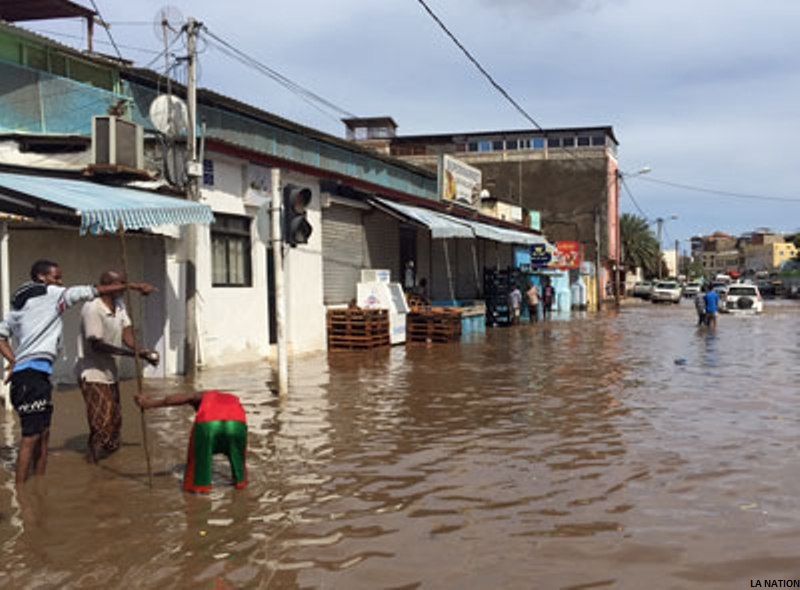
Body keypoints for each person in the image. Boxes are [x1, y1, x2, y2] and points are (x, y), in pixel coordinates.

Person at [0, 260, 155, 484]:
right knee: (31, 438)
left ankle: (38, 491)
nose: (61, 283)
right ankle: (22, 494)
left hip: (36, 375)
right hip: (36, 375)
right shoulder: (54, 294)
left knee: (43, 435)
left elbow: (1, 335)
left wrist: (13, 360)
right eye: (57, 277)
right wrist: (135, 286)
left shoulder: (19, 305)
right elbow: (91, 291)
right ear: (42, 278)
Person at [77, 270, 160, 463]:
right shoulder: (92, 308)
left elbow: (127, 335)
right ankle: (93, 467)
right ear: (109, 285)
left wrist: (143, 351)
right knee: (102, 424)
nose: (124, 287)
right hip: (92, 372)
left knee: (114, 426)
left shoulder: (120, 305)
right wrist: (133, 355)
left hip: (110, 373)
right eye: (121, 284)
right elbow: (97, 345)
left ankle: (107, 468)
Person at [136, 390, 248, 493]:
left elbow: (179, 398)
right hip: (237, 425)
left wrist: (149, 404)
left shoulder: (205, 395)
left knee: (196, 465)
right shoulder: (233, 398)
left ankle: (198, 493)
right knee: (238, 463)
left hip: (208, 424)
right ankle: (240, 485)